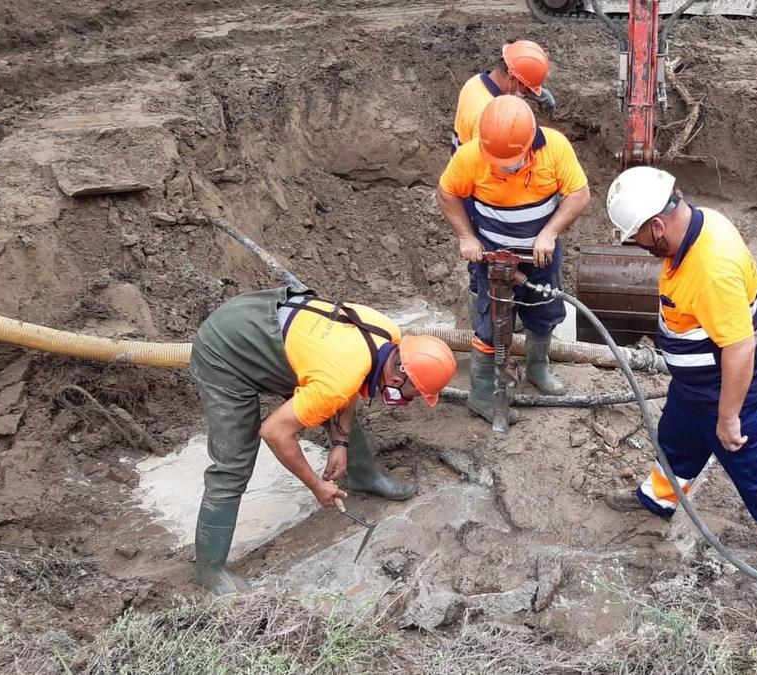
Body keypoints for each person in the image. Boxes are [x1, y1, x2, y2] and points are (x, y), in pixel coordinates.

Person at [602, 167, 757, 590]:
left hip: (728, 394)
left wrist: (728, 417)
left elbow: (739, 347)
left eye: (638, 238)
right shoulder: (697, 225)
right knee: (675, 442)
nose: (639, 246)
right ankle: (658, 500)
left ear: (657, 224)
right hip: (694, 388)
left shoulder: (711, 269)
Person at [188, 286, 457, 594]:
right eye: (415, 394)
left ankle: (364, 476)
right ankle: (209, 569)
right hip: (227, 349)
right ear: (398, 379)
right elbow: (275, 432)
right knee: (233, 463)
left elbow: (352, 382)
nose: (412, 400)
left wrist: (340, 444)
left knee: (335, 404)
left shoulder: (387, 334)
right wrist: (316, 485)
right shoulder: (338, 380)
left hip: (270, 326)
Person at [436, 94, 590, 422]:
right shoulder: (471, 155)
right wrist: (467, 237)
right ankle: (481, 395)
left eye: (510, 159)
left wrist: (549, 233)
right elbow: (447, 192)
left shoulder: (555, 148)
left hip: (540, 257)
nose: (504, 166)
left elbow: (579, 193)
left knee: (545, 313)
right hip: (491, 259)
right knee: (490, 323)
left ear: (528, 145)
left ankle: (537, 368)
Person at [451, 39, 556, 327]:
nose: (527, 95)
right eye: (525, 88)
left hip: (473, 170)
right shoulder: (484, 113)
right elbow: (493, 167)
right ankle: (485, 318)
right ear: (511, 79)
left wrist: (534, 94)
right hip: (478, 188)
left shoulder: (478, 82)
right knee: (484, 258)